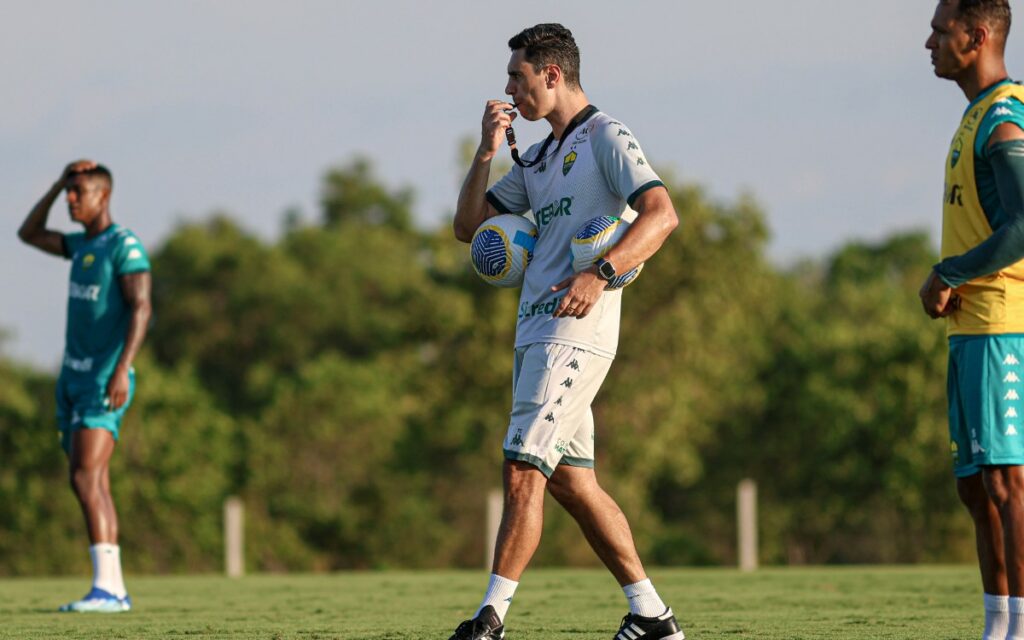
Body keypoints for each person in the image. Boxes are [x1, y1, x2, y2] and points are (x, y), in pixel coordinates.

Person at [450, 23, 683, 640]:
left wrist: (601, 274)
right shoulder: (540, 156)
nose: (509, 89)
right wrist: (486, 149)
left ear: (551, 75)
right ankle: (653, 616)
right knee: (574, 485)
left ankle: (490, 618)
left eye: (517, 77)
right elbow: (468, 226)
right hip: (534, 336)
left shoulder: (606, 136)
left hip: (573, 337)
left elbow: (663, 215)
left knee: (522, 468)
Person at [920, 1, 1024, 638]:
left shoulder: (1005, 117)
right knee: (976, 489)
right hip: (970, 332)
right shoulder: (974, 115)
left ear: (976, 35)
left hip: (1002, 325)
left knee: (1007, 484)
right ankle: (998, 626)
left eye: (940, 30)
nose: (927, 41)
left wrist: (950, 272)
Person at [18, 160, 152, 612]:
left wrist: (122, 369)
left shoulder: (123, 245)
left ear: (104, 195)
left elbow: (141, 307)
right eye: (69, 192)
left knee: (84, 477)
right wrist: (56, 183)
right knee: (92, 480)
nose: (72, 200)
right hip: (72, 377)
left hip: (102, 378)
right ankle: (112, 587)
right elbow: (29, 233)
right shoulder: (81, 245)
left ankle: (109, 590)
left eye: (78, 192)